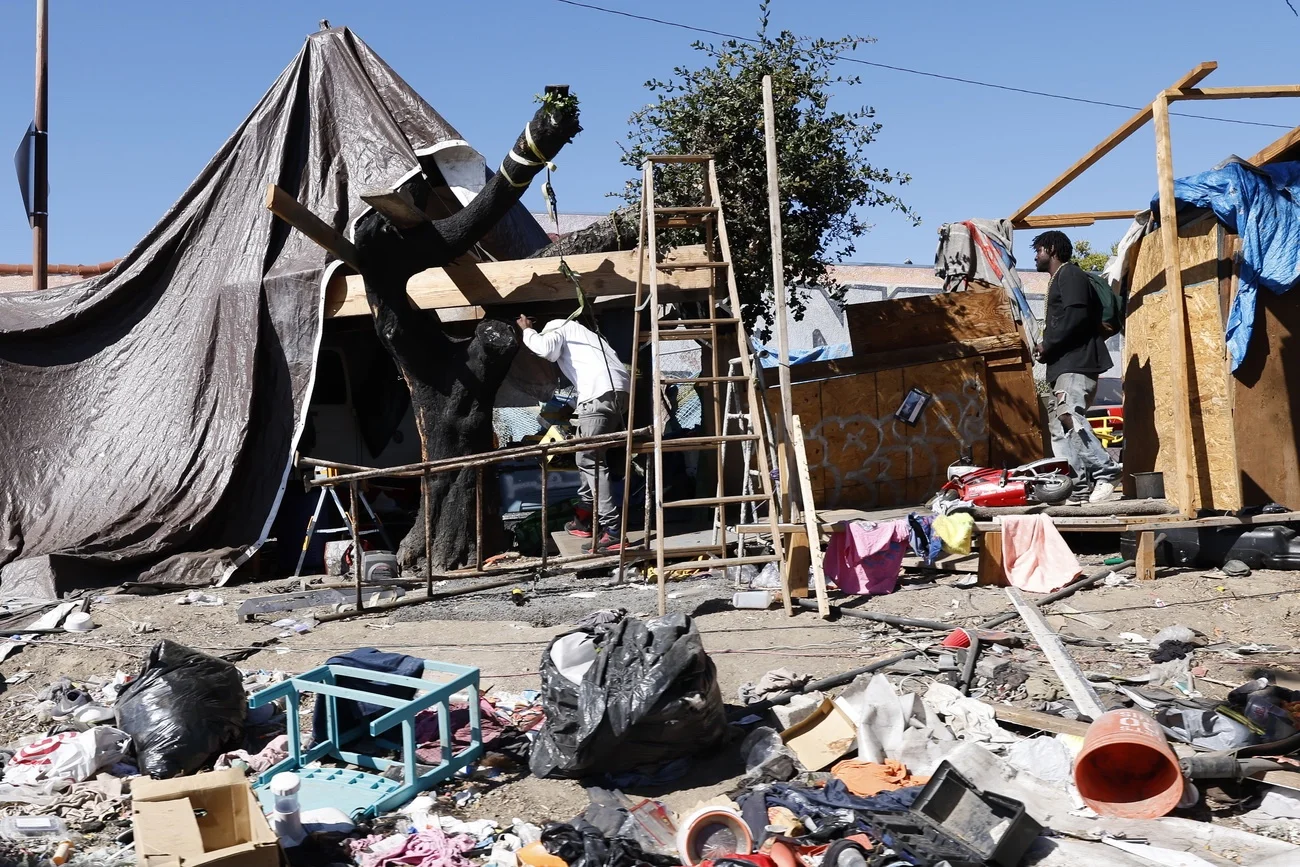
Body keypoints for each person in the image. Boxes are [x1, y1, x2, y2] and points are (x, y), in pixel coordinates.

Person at [516, 313, 631, 551]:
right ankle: (584, 518)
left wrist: (527, 330)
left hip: (598, 396)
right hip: (618, 395)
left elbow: (546, 349)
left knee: (590, 460)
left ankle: (613, 531)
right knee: (586, 455)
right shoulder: (591, 337)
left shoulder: (557, 325)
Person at [1031, 230, 1122, 503]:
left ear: (1051, 249)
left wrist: (1049, 344)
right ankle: (1077, 487)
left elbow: (1077, 316)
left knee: (1070, 414)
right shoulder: (1059, 279)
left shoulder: (1070, 274)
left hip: (1077, 362)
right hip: (1064, 364)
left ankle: (1107, 472)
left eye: (1038, 250)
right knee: (1062, 424)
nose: (1035, 256)